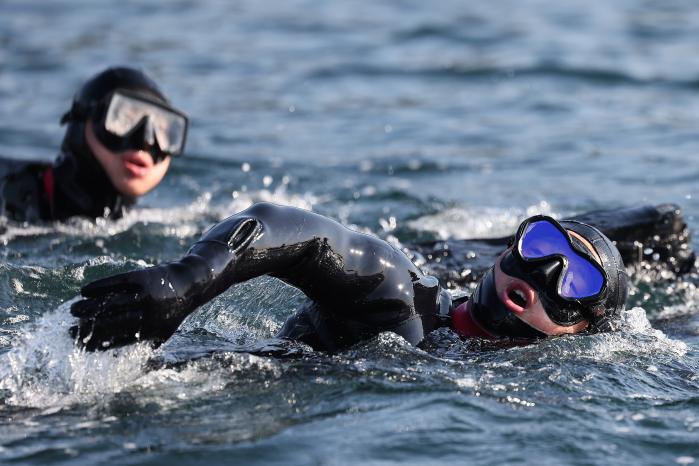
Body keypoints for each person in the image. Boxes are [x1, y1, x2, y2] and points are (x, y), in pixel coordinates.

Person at [69, 202, 628, 352]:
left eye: (577, 282)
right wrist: (186, 281)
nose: (546, 269)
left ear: (582, 328)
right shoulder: (403, 301)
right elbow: (290, 228)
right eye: (544, 245)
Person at [0, 66, 188, 222]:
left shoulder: (159, 222)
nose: (145, 141)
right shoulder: (8, 193)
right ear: (82, 120)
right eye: (124, 120)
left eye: (163, 131)